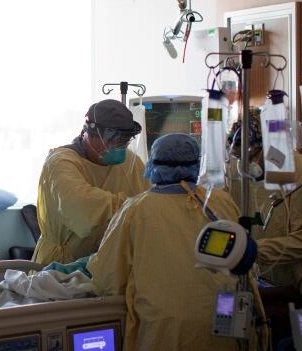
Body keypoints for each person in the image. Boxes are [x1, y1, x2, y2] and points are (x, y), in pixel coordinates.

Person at [88, 133, 240, 351]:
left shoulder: (136, 210)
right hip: (225, 319)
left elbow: (108, 279)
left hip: (167, 329)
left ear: (152, 164)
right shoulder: (220, 201)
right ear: (197, 164)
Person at [31, 99, 149, 266]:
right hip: (60, 265)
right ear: (89, 133)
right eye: (114, 140)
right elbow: (82, 208)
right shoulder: (60, 163)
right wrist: (134, 208)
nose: (119, 146)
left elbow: (150, 201)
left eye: (124, 141)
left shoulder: (130, 163)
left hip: (107, 264)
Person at [226, 109, 302, 294]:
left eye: (251, 155)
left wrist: (256, 250)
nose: (244, 165)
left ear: (273, 147)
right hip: (260, 281)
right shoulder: (240, 174)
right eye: (240, 157)